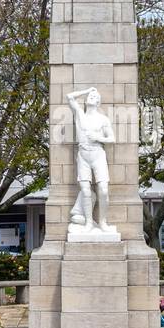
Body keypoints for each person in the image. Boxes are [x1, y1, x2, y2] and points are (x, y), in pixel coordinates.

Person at [66, 87, 114, 230]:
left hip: (98, 153)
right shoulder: (80, 114)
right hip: (83, 154)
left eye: (95, 96)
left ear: (99, 102)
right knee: (86, 190)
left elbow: (112, 138)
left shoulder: (103, 119)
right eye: (90, 97)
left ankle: (103, 222)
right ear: (86, 101)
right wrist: (87, 91)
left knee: (103, 190)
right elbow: (69, 96)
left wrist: (98, 137)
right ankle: (88, 222)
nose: (92, 97)